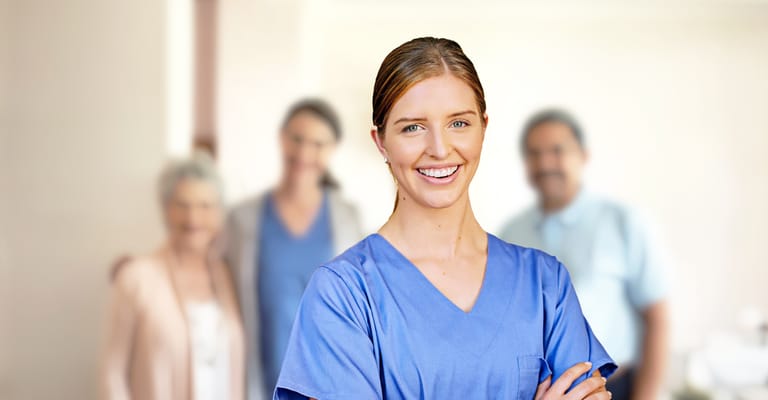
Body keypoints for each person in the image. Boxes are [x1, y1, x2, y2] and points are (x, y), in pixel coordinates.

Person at [274, 37, 616, 400]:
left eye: (459, 123)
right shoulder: (343, 295)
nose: (439, 149)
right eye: (412, 127)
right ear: (381, 142)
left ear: (483, 128)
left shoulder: (546, 286)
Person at [500, 109, 670, 400]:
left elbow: (656, 318)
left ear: (583, 155)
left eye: (557, 150)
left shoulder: (623, 221)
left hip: (614, 388)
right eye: (534, 153)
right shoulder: (512, 234)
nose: (545, 163)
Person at [224, 99, 363, 400]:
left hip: (325, 387)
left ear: (332, 150)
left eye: (317, 144)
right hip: (259, 384)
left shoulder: (347, 219)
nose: (304, 153)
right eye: (297, 139)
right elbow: (207, 270)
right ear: (282, 138)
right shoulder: (243, 219)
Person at [100, 154, 245, 400]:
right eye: (182, 205)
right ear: (166, 209)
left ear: (219, 213)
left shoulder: (227, 275)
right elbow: (112, 373)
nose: (193, 218)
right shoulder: (136, 278)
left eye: (205, 206)